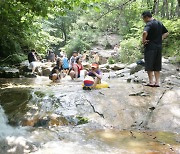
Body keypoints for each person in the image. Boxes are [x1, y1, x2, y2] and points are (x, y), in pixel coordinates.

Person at [142, 11, 169, 87]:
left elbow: (144, 33)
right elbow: (166, 32)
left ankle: (151, 82)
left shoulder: (149, 24)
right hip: (159, 46)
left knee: (149, 64)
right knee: (157, 64)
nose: (143, 20)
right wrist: (160, 39)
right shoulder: (159, 23)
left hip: (150, 46)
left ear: (146, 17)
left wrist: (143, 41)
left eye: (143, 18)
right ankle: (157, 82)